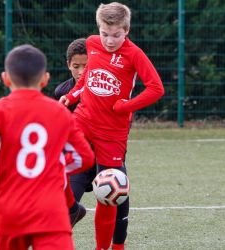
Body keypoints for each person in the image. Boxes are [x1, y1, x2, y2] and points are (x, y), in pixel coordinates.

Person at [0, 44, 95, 250]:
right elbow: (85, 157)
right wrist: (59, 166)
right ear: (45, 79)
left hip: (10, 210)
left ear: (5, 79)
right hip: (51, 209)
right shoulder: (59, 111)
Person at [59, 2, 165, 249]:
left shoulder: (134, 54)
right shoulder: (92, 43)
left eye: (116, 35)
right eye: (105, 33)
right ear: (99, 28)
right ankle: (72, 209)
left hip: (112, 134)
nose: (109, 40)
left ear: (126, 30)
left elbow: (156, 89)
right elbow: (88, 76)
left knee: (108, 194)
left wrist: (125, 106)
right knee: (57, 159)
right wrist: (73, 95)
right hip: (83, 121)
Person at [53, 38, 90, 227]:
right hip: (78, 161)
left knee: (114, 200)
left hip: (104, 157)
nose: (82, 71)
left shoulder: (104, 89)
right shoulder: (62, 92)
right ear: (68, 65)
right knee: (63, 209)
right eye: (76, 66)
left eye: (87, 65)